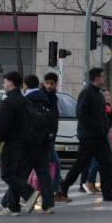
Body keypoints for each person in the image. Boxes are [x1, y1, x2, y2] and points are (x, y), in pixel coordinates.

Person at [58, 68, 112, 202]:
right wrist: (97, 126)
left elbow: (102, 114)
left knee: (106, 163)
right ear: (96, 78)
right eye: (102, 76)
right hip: (89, 137)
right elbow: (81, 114)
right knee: (81, 164)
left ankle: (107, 192)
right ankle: (63, 187)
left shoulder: (99, 94)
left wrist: (105, 126)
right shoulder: (86, 93)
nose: (104, 79)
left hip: (100, 136)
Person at [0, 71, 37, 216]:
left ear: (10, 83)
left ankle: (29, 194)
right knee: (16, 175)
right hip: (27, 143)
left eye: (4, 82)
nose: (3, 85)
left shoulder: (8, 102)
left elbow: (2, 125)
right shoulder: (25, 101)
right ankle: (13, 207)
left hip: (13, 143)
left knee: (7, 173)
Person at [21, 74, 56, 214]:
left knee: (20, 175)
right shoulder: (45, 98)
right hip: (44, 142)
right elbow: (53, 120)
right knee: (44, 175)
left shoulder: (26, 100)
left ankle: (8, 202)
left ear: (25, 85)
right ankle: (48, 204)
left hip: (29, 144)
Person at [43, 72, 71, 205]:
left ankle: (58, 192)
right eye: (46, 83)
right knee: (51, 166)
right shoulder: (41, 97)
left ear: (56, 84)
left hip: (50, 138)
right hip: (44, 138)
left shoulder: (53, 97)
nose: (48, 86)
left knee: (55, 165)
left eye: (51, 83)